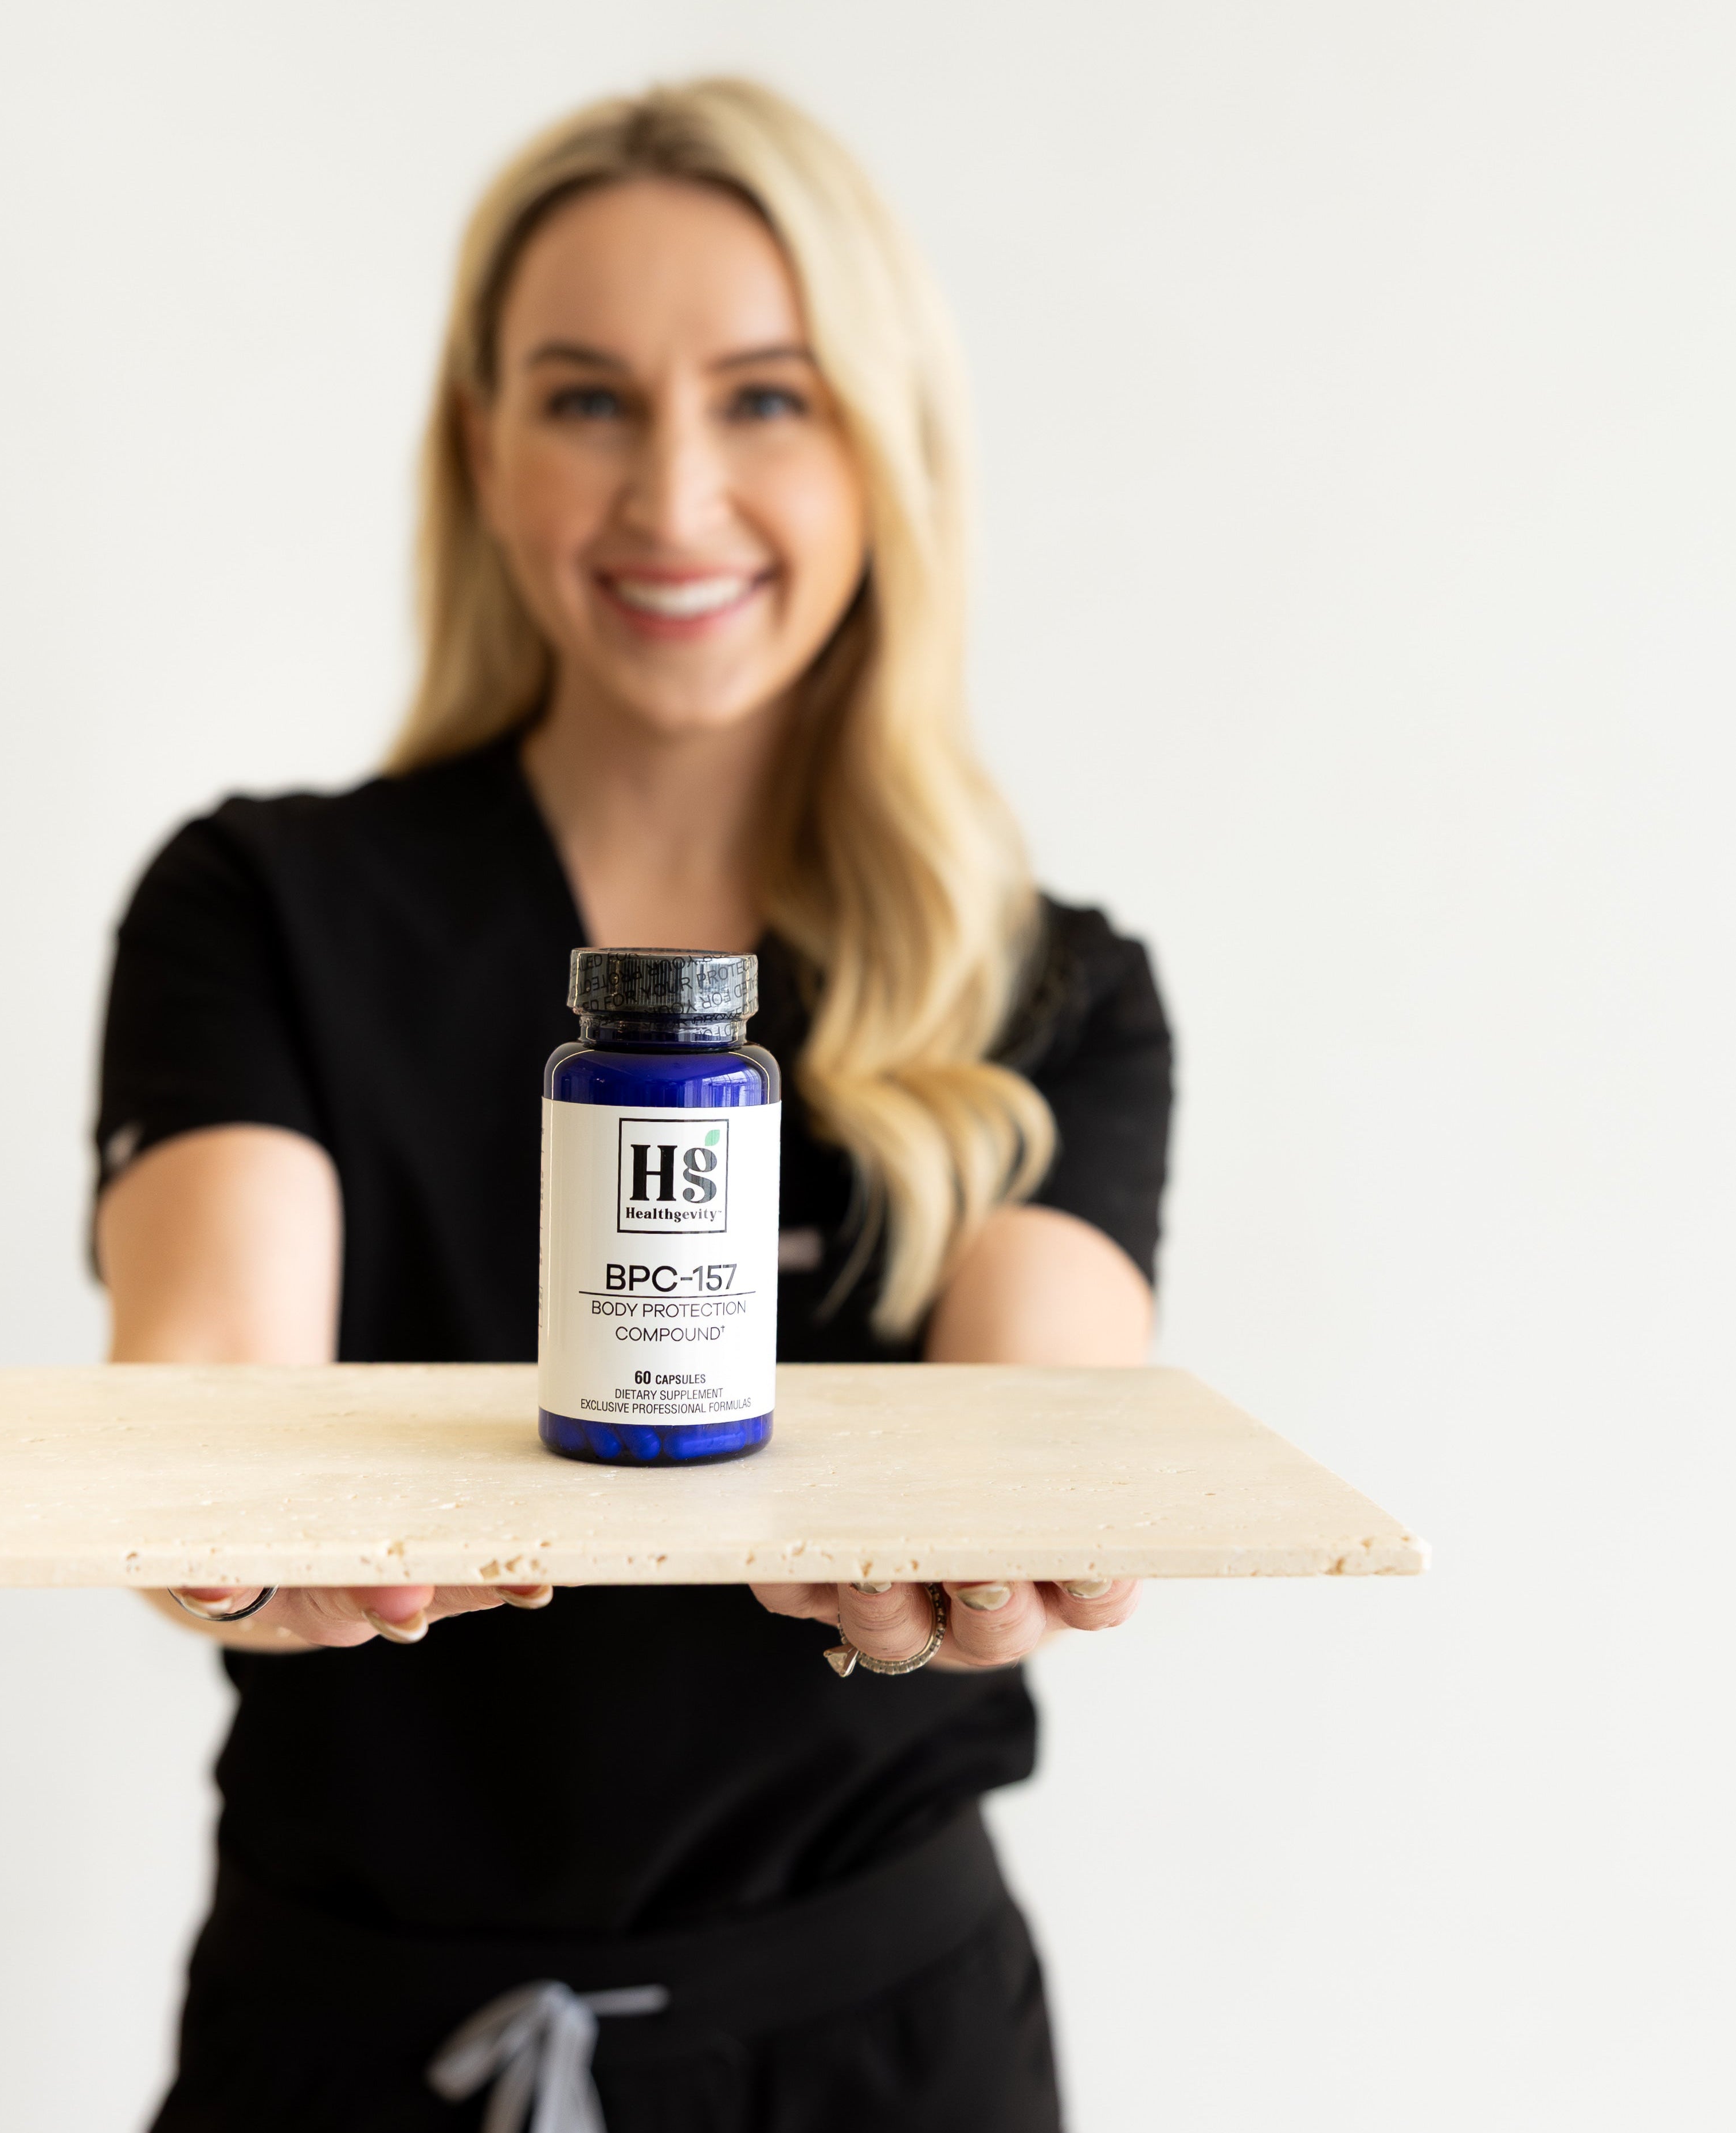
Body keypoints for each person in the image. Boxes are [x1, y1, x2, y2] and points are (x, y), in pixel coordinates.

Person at [95, 77, 1172, 2132]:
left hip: (876, 2052)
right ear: (480, 448)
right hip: (347, 2044)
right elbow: (209, 1372)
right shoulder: (262, 906)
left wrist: (1012, 1535)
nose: (671, 497)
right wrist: (222, 1529)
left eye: (766, 398)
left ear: (885, 444)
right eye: (585, 398)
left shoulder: (1056, 988)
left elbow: (1044, 1408)